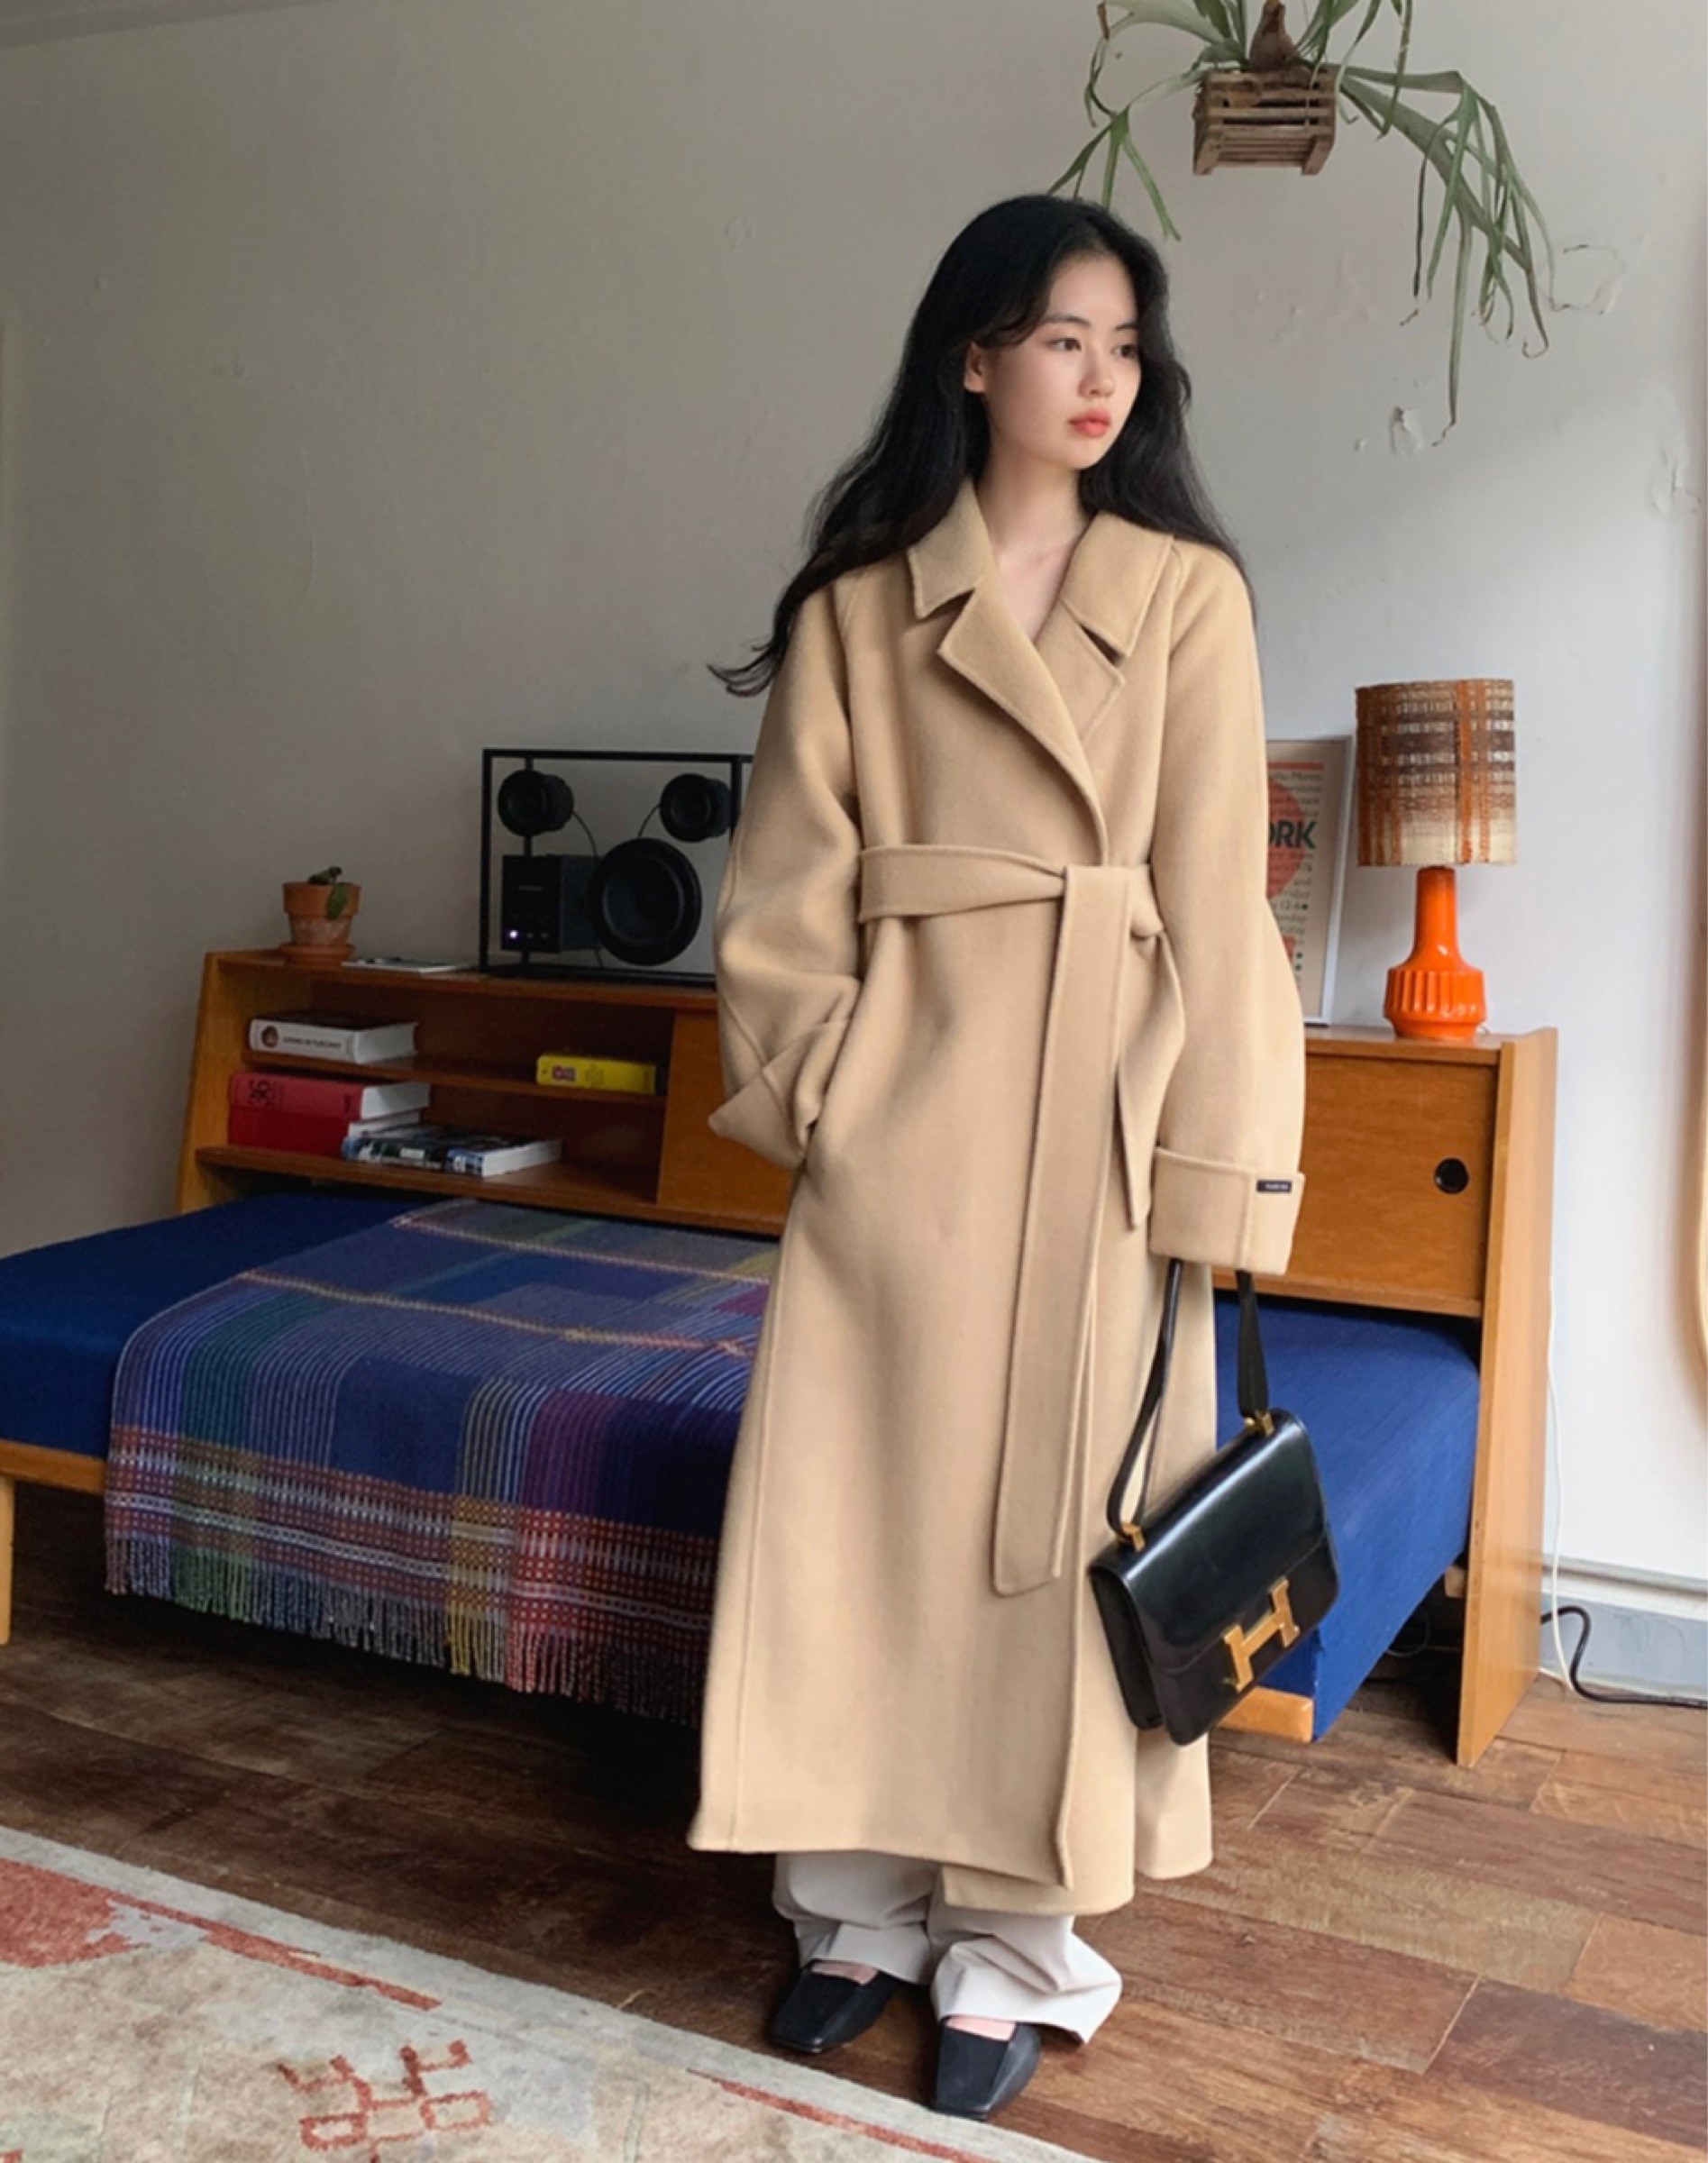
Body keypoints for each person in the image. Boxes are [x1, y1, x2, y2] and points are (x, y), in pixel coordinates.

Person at [686, 192, 1308, 2123]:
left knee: (1055, 1552)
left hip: (1104, 1139)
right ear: (973, 357)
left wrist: (1217, 1170)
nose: (1101, 378)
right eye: (1060, 339)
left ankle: (1016, 1949)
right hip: (905, 1134)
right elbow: (782, 900)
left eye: (1125, 345)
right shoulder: (857, 608)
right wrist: (833, 1099)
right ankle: (852, 1915)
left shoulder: (1186, 599)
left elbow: (1222, 907)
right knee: (859, 1529)